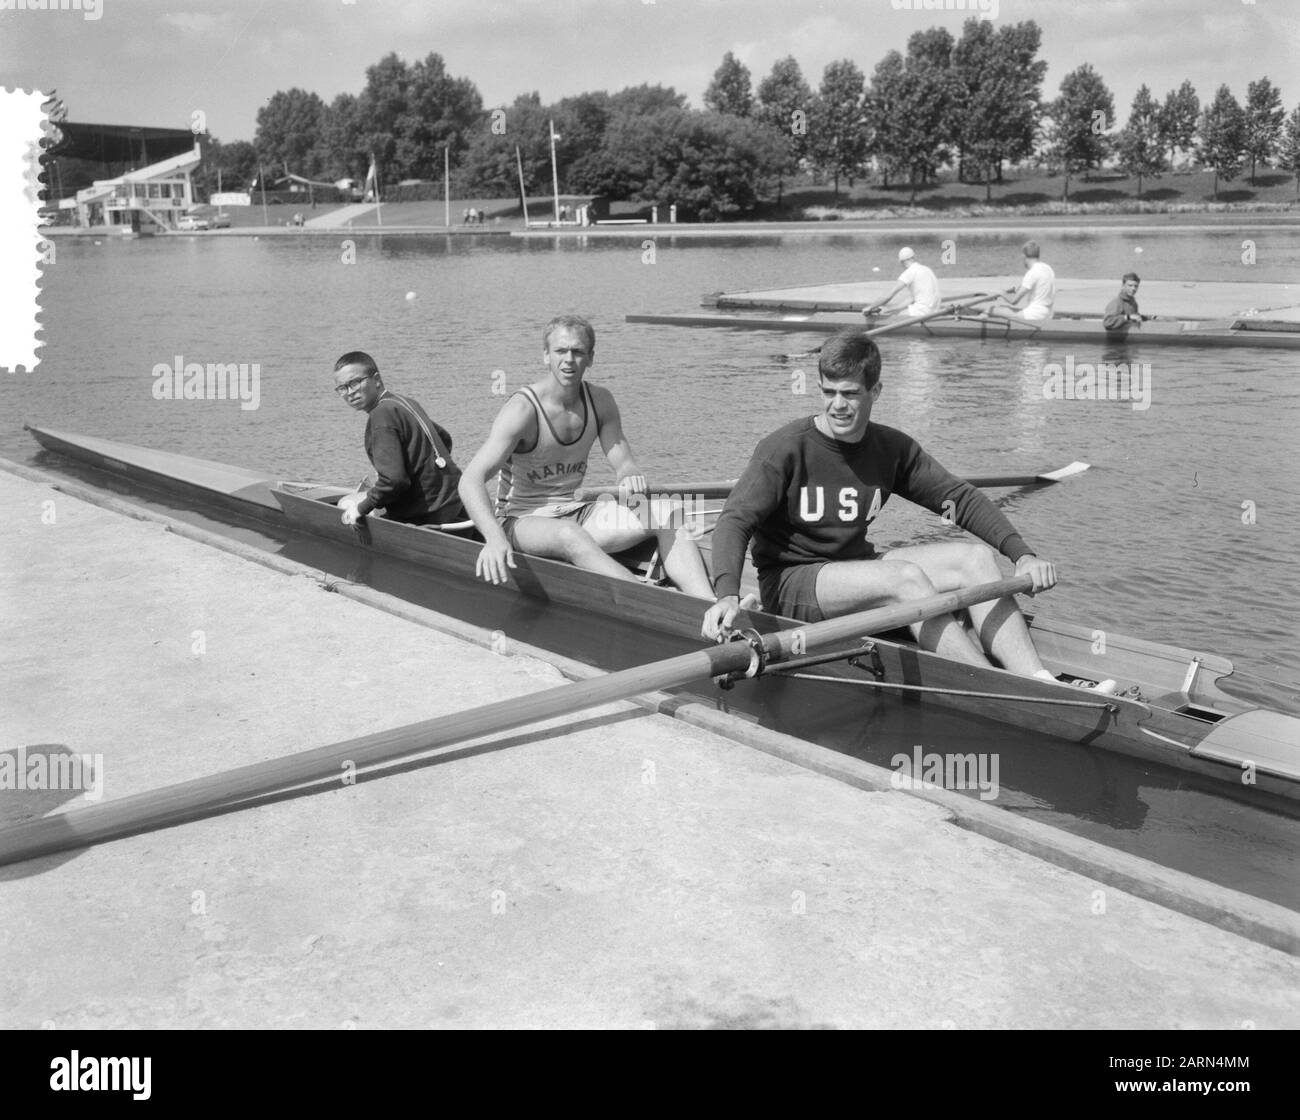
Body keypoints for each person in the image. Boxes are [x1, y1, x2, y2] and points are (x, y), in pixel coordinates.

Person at [701, 330, 1115, 692]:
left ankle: (1035, 678)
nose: (838, 406)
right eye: (829, 392)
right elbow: (735, 520)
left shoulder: (890, 448)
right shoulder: (785, 448)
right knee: (907, 579)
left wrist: (1021, 553)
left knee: (973, 558)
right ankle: (990, 681)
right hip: (792, 582)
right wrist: (727, 594)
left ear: (876, 391)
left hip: (853, 566)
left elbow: (960, 498)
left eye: (850, 394)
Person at [459, 315, 714, 598]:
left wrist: (629, 473)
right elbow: (470, 480)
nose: (569, 359)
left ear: (590, 358)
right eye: (560, 351)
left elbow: (623, 461)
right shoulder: (522, 411)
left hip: (577, 510)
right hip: (520, 520)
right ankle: (650, 601)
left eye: (578, 351)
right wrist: (493, 537)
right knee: (570, 535)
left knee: (669, 513)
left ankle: (709, 605)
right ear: (546, 356)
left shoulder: (601, 401)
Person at [332, 351, 472, 531]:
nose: (350, 392)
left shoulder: (381, 416)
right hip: (458, 499)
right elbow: (444, 439)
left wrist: (361, 509)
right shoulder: (404, 402)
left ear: (376, 379)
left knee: (347, 504)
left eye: (355, 382)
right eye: (342, 388)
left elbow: (393, 481)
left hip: (430, 515)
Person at [985, 240, 1055, 322]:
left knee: (991, 309)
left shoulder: (1032, 272)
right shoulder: (1048, 268)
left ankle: (973, 323)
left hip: (1035, 315)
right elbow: (1026, 288)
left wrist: (1001, 293)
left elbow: (1014, 301)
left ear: (1024, 256)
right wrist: (1010, 292)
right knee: (1004, 309)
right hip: (1048, 313)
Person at [864, 247, 942, 319]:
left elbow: (889, 295)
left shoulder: (910, 272)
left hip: (921, 312)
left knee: (892, 317)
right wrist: (893, 309)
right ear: (913, 257)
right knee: (895, 312)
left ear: (901, 262)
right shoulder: (926, 269)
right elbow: (911, 298)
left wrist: (869, 307)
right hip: (934, 312)